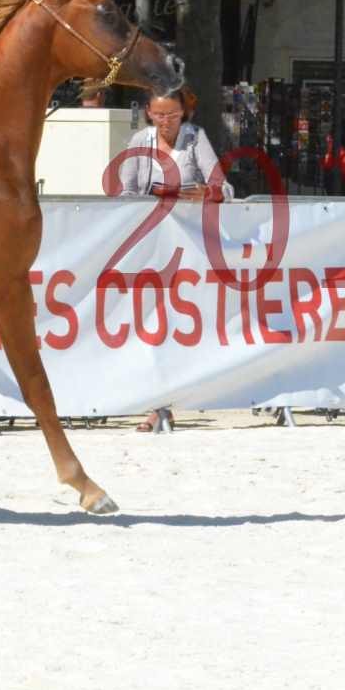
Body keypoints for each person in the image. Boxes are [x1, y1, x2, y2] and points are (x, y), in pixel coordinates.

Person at [116, 85, 232, 433]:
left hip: (191, 247)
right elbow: (125, 192)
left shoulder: (196, 139)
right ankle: (155, 405)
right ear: (149, 113)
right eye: (159, 115)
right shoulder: (140, 141)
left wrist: (206, 193)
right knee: (150, 323)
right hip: (152, 244)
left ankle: (166, 403)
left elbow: (224, 188)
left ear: (185, 114)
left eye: (173, 115)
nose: (166, 122)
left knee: (179, 324)